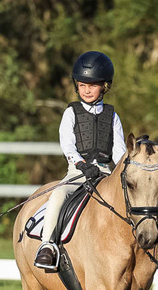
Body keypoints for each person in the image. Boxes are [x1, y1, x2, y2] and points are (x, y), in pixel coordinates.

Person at [34, 51, 126, 270]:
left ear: (105, 86)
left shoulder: (112, 116)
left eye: (92, 85)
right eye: (82, 85)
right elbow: (67, 145)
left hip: (105, 173)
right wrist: (82, 165)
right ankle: (47, 246)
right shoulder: (71, 113)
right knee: (58, 195)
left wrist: (121, 169)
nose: (86, 90)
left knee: (136, 199)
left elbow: (119, 150)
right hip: (78, 172)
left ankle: (149, 248)